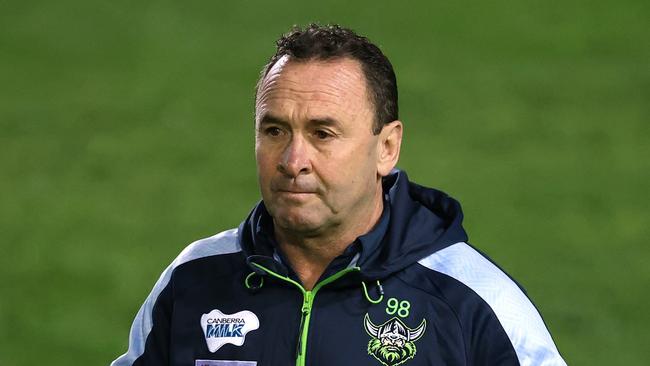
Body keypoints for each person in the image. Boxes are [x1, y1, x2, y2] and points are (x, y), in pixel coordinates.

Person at [112, 24, 567, 366]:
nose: (292, 160)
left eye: (322, 133)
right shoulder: (195, 279)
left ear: (386, 147)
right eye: (274, 130)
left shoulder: (472, 300)